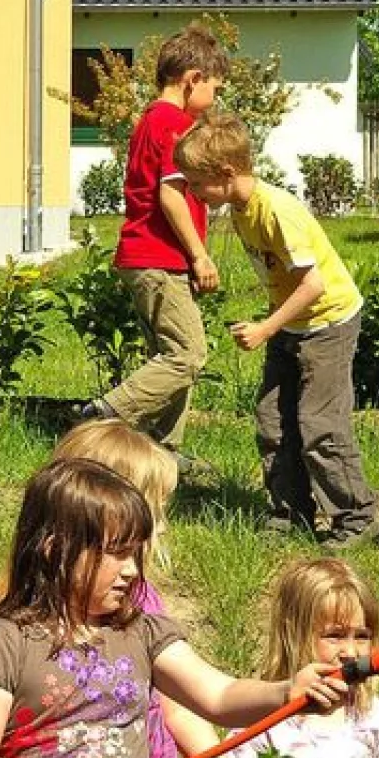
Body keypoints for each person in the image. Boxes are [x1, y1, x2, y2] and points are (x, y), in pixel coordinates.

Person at [0, 457, 349, 758]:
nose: (132, 571)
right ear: (55, 549)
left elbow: (218, 696)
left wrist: (287, 691)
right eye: (116, 553)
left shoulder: (141, 632)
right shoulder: (2, 644)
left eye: (134, 554)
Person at [0, 419, 249, 758]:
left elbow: (187, 702)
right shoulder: (11, 633)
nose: (159, 528)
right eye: (151, 509)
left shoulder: (137, 609)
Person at [174, 110, 379, 550]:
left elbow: (313, 285)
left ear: (225, 173)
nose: (192, 192)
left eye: (195, 183)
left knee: (320, 424)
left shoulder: (277, 211)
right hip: (293, 324)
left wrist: (266, 329)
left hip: (328, 323)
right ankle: (291, 512)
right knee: (273, 420)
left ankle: (359, 518)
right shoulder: (239, 209)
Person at [82, 24, 230, 468]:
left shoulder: (152, 118)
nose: (215, 98)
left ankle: (163, 452)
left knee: (169, 355)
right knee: (188, 353)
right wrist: (199, 254)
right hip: (158, 258)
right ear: (191, 79)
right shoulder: (173, 123)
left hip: (147, 257)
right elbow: (170, 194)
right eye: (214, 88)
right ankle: (102, 417)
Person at [227, 558, 379, 758]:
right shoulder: (261, 721)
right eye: (334, 636)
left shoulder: (373, 715)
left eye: (361, 636)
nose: (350, 651)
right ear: (293, 634)